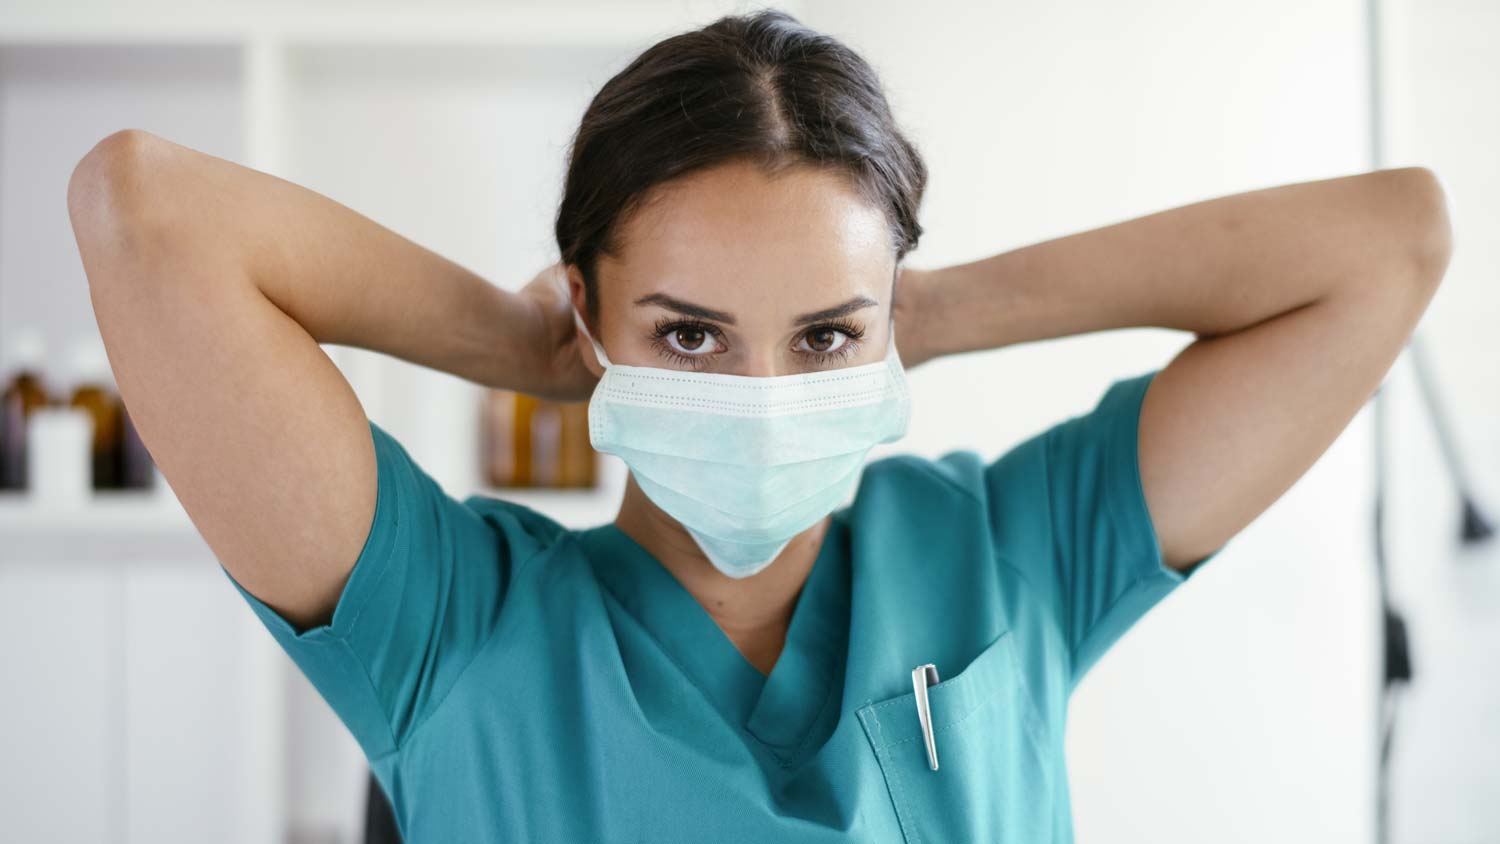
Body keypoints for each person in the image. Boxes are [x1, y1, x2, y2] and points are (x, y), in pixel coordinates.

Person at [66, 9, 1451, 844]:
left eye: (825, 335)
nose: (764, 398)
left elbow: (1390, 244)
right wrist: (516, 343)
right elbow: (147, 209)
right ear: (594, 317)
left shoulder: (1008, 558)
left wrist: (938, 309)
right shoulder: (446, 627)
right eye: (688, 333)